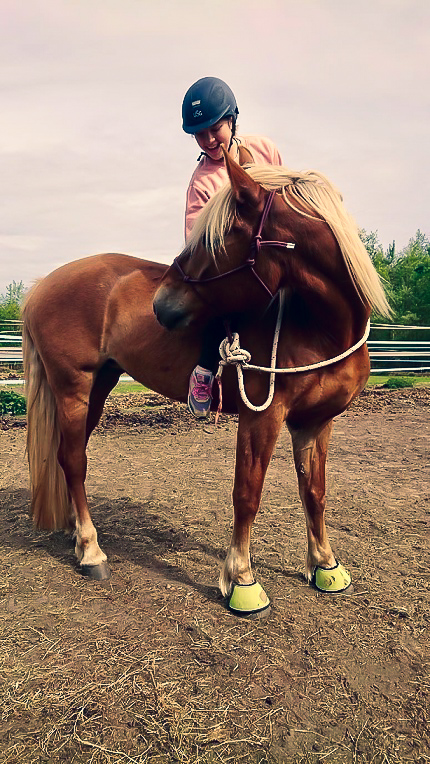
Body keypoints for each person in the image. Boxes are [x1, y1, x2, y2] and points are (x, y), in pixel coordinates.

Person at [182, 76, 283, 418]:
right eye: (200, 133)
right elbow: (197, 239)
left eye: (215, 128)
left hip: (272, 252)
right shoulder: (203, 182)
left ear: (232, 120)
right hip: (232, 264)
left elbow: (283, 198)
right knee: (217, 300)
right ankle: (205, 370)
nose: (209, 139)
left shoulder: (265, 150)